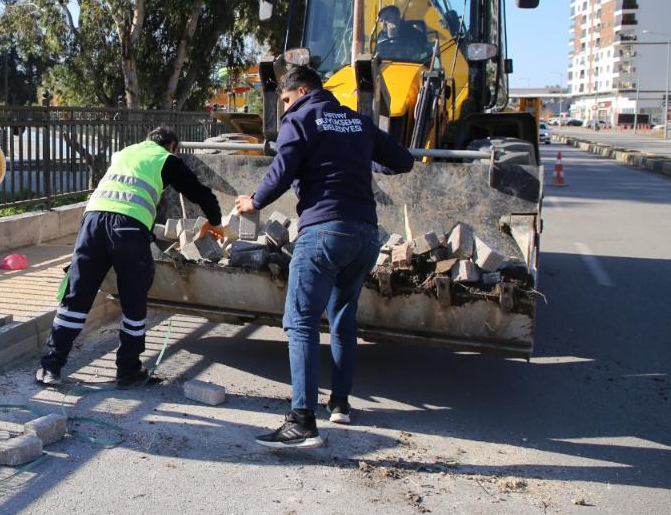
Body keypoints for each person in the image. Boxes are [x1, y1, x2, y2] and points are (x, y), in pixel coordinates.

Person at [235, 66, 414, 447]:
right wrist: (362, 157)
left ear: (300, 91)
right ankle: (341, 404)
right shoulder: (356, 121)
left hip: (324, 233)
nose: (283, 108)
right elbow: (403, 161)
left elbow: (282, 170)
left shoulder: (300, 118)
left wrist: (254, 201)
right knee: (343, 320)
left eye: (284, 100)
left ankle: (302, 421)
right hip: (365, 236)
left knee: (299, 321)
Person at [38, 125, 225, 388]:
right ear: (172, 146)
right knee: (133, 300)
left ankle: (50, 368)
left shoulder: (124, 153)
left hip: (91, 223)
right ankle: (128, 371)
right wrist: (215, 222)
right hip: (127, 227)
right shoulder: (165, 159)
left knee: (77, 296)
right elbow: (200, 192)